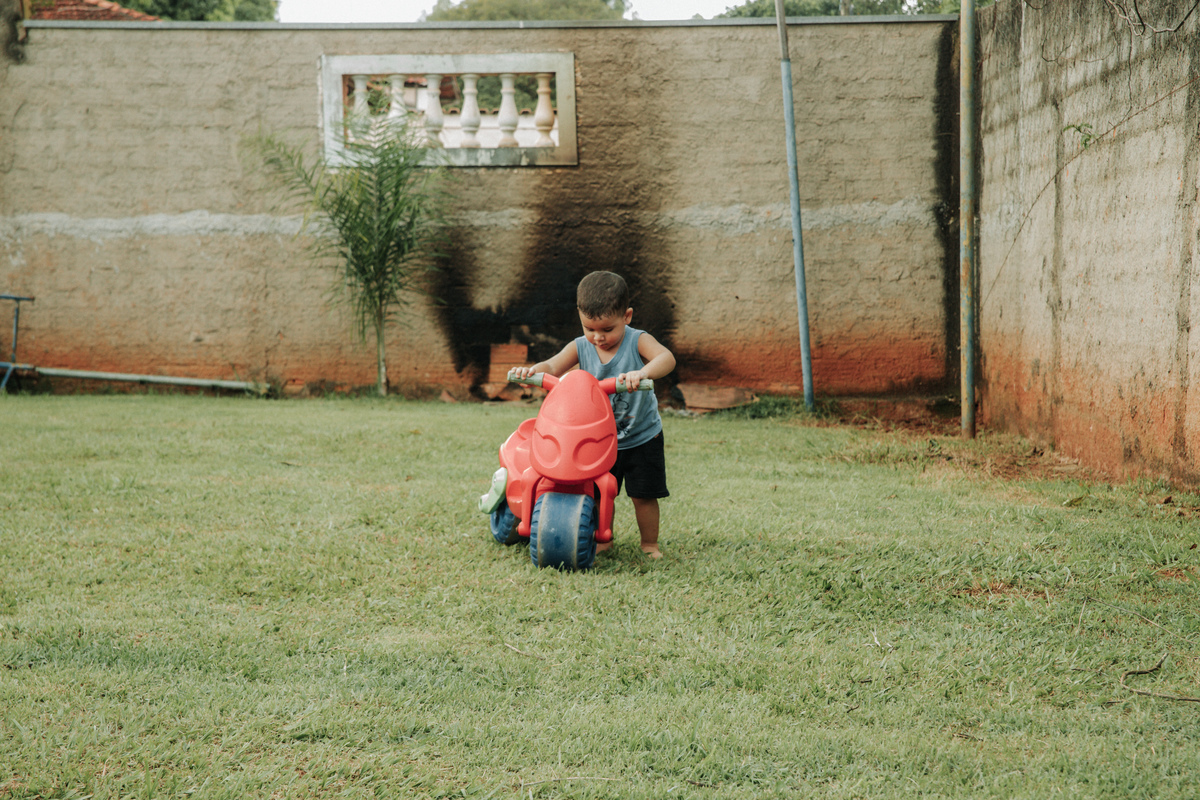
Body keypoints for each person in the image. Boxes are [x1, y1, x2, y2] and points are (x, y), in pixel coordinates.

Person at [510, 271, 676, 559]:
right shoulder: (580, 346)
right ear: (580, 318)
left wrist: (643, 372)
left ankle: (649, 544)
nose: (598, 338)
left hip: (641, 436)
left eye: (607, 329)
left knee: (643, 495)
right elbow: (552, 365)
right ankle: (602, 539)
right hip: (597, 440)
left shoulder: (637, 341)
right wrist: (532, 371)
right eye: (590, 328)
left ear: (627, 316)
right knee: (596, 493)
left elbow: (667, 358)